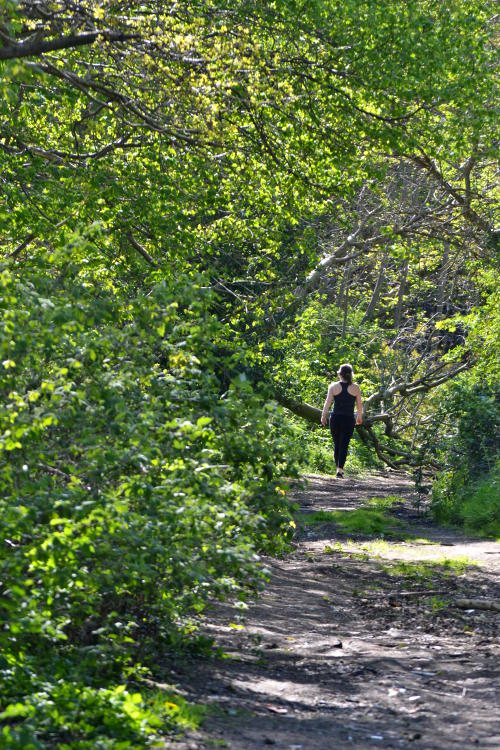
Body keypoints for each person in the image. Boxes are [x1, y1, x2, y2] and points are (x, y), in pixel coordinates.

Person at [321, 363, 363, 478]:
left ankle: (338, 469)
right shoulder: (355, 388)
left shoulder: (333, 386)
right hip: (349, 419)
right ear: (350, 375)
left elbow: (328, 403)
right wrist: (359, 417)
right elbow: (359, 405)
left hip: (336, 419)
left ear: (340, 374)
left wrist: (323, 416)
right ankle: (340, 470)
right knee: (344, 444)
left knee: (337, 444)